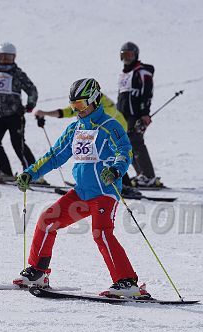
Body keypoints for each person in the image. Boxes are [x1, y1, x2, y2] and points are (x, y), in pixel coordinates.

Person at [13, 78, 150, 299]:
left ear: (95, 100)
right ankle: (38, 272)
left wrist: (116, 170)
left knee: (101, 233)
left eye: (81, 104)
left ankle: (127, 282)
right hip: (82, 193)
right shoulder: (75, 129)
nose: (78, 109)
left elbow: (124, 151)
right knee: (47, 220)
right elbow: (55, 156)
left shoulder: (110, 125)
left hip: (104, 192)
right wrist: (31, 173)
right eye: (74, 105)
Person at [33, 93, 143, 197]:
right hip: (99, 130)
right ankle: (92, 182)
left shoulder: (100, 104)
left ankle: (123, 184)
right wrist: (45, 113)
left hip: (117, 129)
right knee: (90, 152)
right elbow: (67, 112)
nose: (78, 109)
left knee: (106, 154)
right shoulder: (85, 104)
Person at [0, 42, 38, 179]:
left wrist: (30, 105)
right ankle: (5, 171)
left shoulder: (17, 73)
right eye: (2, 56)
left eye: (8, 57)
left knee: (18, 144)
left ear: (14, 57)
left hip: (14, 115)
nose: (5, 60)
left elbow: (31, 90)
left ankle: (33, 174)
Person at [118, 41, 161, 188]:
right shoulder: (124, 74)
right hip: (123, 116)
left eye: (130, 55)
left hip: (136, 115)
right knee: (126, 145)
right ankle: (141, 174)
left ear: (136, 55)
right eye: (124, 55)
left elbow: (147, 93)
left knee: (136, 142)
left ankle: (148, 176)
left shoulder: (142, 72)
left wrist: (144, 113)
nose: (127, 58)